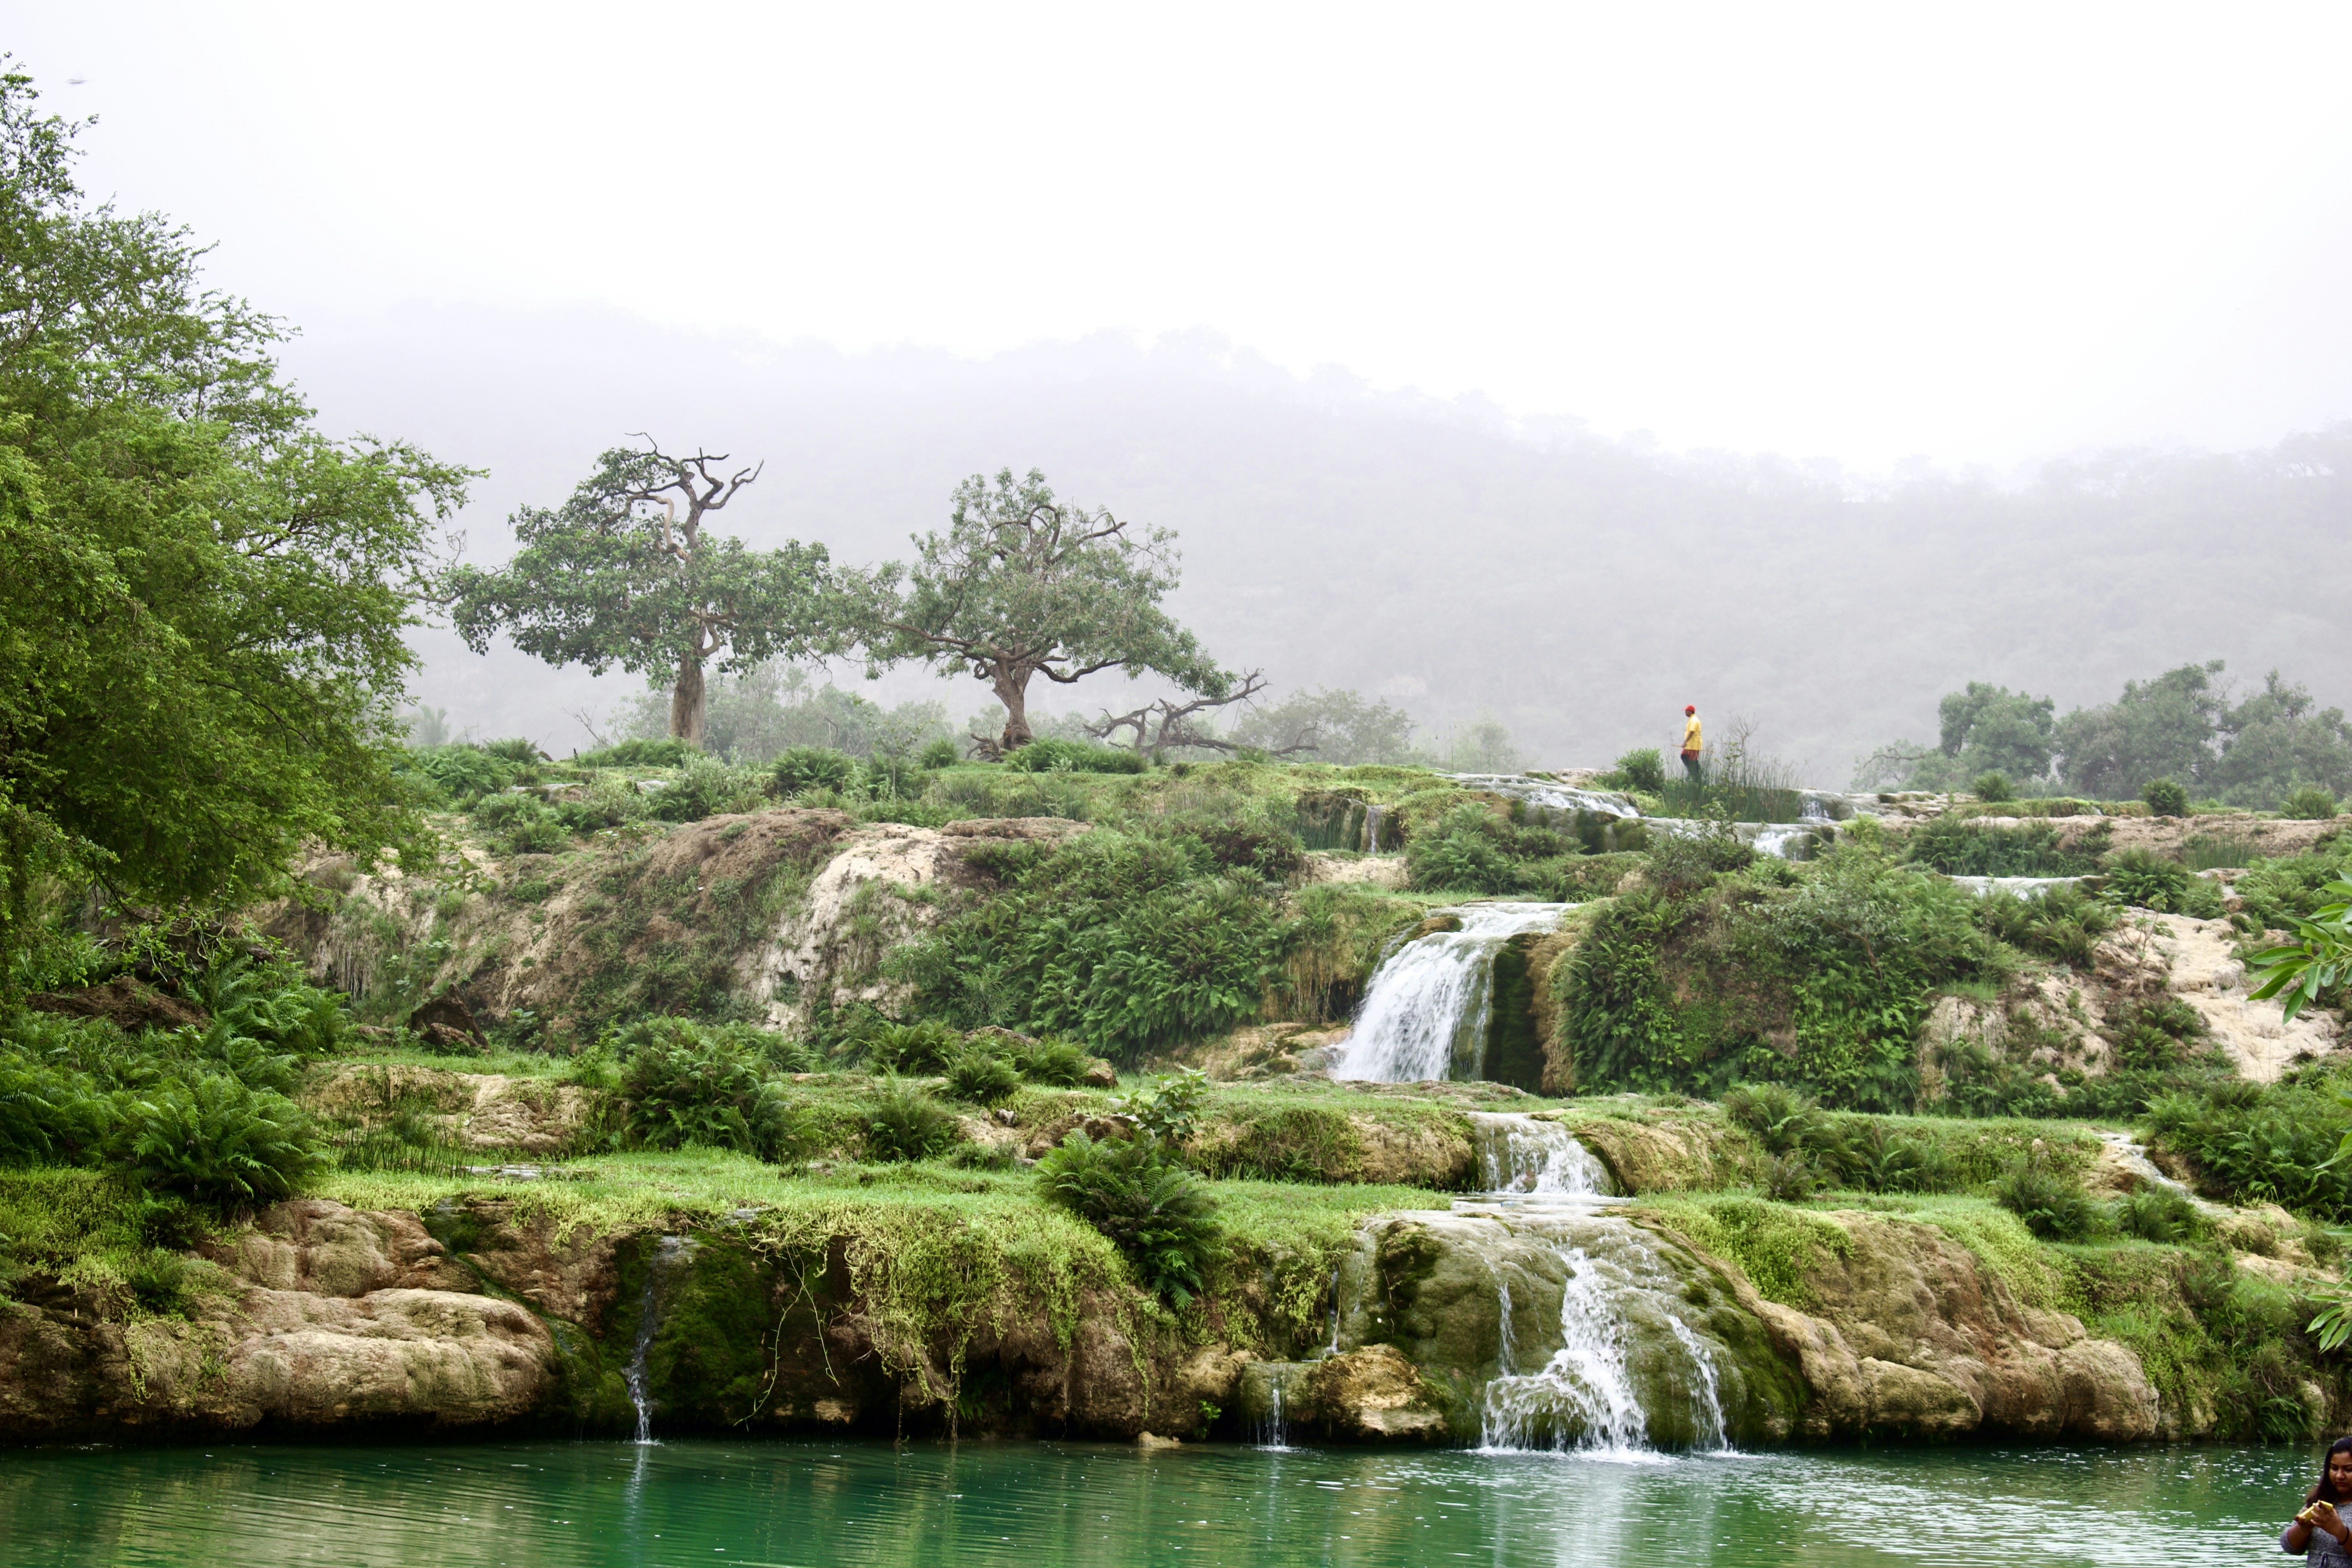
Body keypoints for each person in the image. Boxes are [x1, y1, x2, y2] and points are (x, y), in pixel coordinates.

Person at [2285, 1437, 2352, 1563]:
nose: (2339, 1476)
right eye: (2334, 1468)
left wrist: (2341, 1532)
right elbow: (2289, 1547)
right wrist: (2303, 1529)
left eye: (2349, 1470)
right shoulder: (2322, 1500)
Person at [1680, 705, 1703, 785]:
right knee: (1684, 756)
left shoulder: (1694, 720)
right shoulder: (1691, 720)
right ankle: (1692, 773)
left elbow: (1692, 731)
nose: (1685, 712)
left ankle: (1696, 778)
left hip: (1694, 745)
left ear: (1691, 711)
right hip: (1689, 745)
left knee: (1694, 762)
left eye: (1687, 711)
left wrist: (1685, 742)